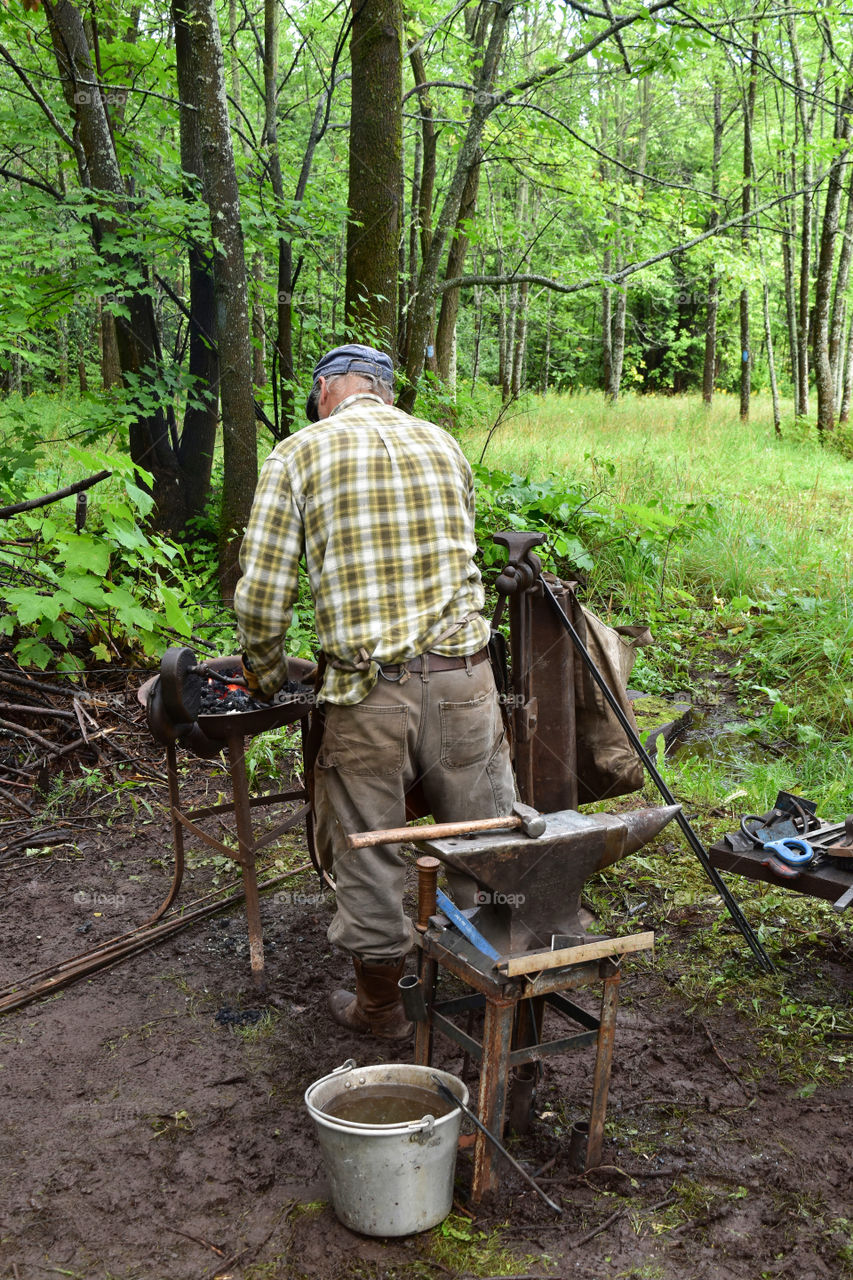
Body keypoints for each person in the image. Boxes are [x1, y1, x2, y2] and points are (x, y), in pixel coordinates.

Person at [234, 343, 515, 1039]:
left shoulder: (299, 453)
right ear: (385, 391)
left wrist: (267, 679)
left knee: (368, 851)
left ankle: (382, 1010)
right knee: (485, 838)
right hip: (466, 680)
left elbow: (264, 599)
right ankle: (490, 989)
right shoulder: (443, 443)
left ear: (327, 389)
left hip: (366, 694)